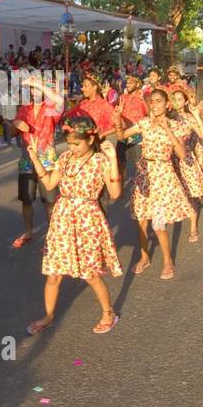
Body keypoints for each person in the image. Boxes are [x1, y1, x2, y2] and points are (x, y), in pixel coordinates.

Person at [30, 115, 122, 336]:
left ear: (91, 139)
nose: (72, 147)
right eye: (69, 143)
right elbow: (51, 184)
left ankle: (109, 313)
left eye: (76, 143)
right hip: (62, 219)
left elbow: (115, 193)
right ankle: (49, 316)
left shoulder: (101, 161)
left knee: (90, 274)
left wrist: (113, 160)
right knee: (53, 273)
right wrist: (35, 158)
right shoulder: (64, 158)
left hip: (88, 219)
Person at [127, 86, 202, 279]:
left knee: (158, 225)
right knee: (141, 221)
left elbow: (182, 154)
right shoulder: (145, 123)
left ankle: (168, 261)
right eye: (151, 102)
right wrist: (118, 121)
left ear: (167, 104)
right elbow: (122, 136)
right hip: (144, 175)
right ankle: (144, 257)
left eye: (159, 101)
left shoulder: (175, 125)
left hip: (163, 175)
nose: (154, 105)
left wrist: (168, 130)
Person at [8, 85, 58, 251]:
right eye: (32, 90)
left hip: (47, 161)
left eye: (37, 90)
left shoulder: (51, 108)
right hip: (27, 159)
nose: (34, 92)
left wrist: (39, 82)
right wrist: (16, 123)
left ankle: (53, 236)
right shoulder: (24, 110)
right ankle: (28, 231)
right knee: (27, 198)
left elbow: (59, 101)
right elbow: (12, 132)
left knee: (49, 200)